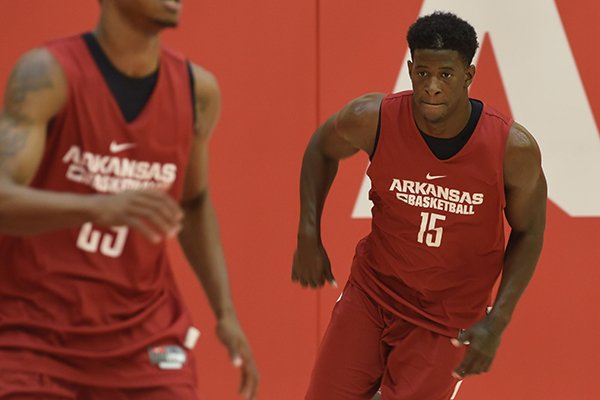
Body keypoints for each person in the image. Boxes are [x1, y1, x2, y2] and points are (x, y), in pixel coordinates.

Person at [0, 0, 259, 399]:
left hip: (144, 336)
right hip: (36, 333)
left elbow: (193, 202)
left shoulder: (197, 91)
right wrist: (96, 206)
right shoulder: (47, 74)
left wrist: (226, 313)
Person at [292, 11, 546, 400]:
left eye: (445, 74)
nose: (432, 86)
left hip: (448, 319)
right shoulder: (373, 118)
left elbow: (529, 231)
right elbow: (320, 148)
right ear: (410, 69)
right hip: (373, 294)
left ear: (468, 75)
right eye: (422, 72)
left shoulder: (512, 148)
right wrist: (308, 233)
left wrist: (498, 321)